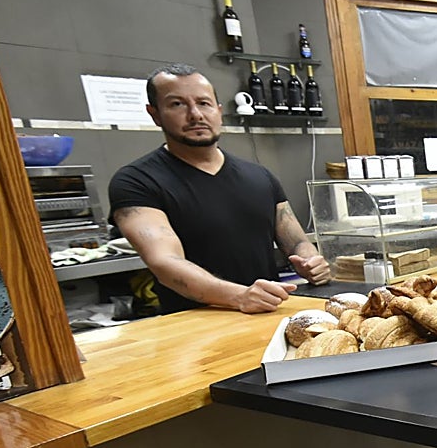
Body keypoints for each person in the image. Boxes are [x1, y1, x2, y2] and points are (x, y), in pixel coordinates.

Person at [108, 63, 330, 314]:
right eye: (177, 104)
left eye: (204, 103)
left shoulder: (260, 176)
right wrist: (240, 296)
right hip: (197, 324)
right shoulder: (136, 181)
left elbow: (297, 242)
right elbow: (165, 262)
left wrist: (311, 262)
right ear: (154, 114)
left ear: (219, 111)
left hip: (268, 313)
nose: (195, 114)